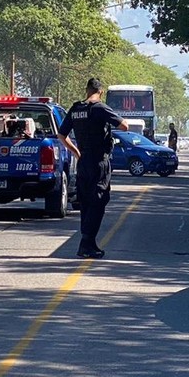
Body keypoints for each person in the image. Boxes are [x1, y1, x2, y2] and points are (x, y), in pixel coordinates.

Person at [59, 78, 128, 259]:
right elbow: (124, 125)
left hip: (83, 161)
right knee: (98, 200)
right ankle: (86, 242)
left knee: (86, 202)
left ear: (87, 90)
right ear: (101, 92)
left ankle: (88, 242)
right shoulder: (100, 108)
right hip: (99, 161)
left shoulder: (76, 109)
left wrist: (76, 153)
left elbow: (61, 134)